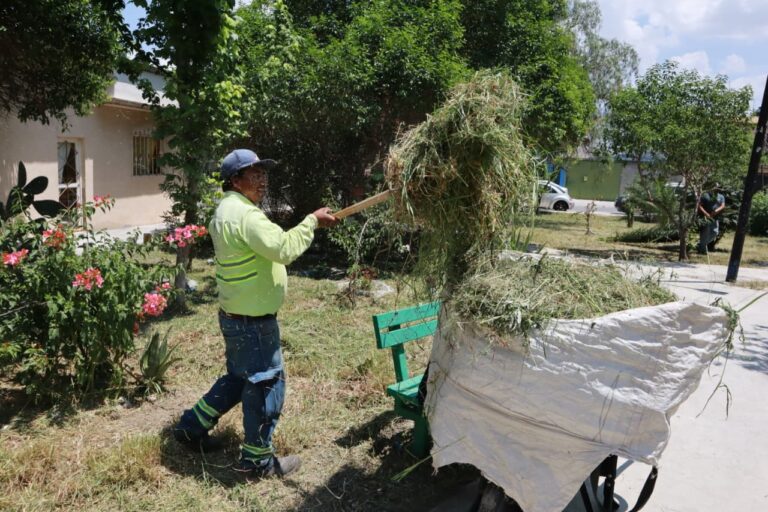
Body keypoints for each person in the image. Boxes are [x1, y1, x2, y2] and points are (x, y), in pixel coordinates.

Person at [173, 149, 338, 479]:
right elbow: (284, 249)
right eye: (255, 174)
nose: (263, 180)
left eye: (264, 173)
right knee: (266, 383)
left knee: (238, 378)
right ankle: (257, 461)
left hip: (235, 316)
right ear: (235, 180)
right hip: (254, 323)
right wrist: (311, 221)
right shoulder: (247, 216)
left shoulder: (226, 210)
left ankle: (191, 427)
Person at [697, 185, 725, 254]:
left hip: (715, 218)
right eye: (715, 188)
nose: (717, 189)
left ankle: (701, 245)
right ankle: (702, 250)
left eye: (718, 188)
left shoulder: (721, 196)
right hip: (706, 218)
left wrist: (716, 211)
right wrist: (706, 214)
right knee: (705, 233)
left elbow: (722, 205)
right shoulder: (705, 195)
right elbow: (699, 205)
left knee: (715, 232)